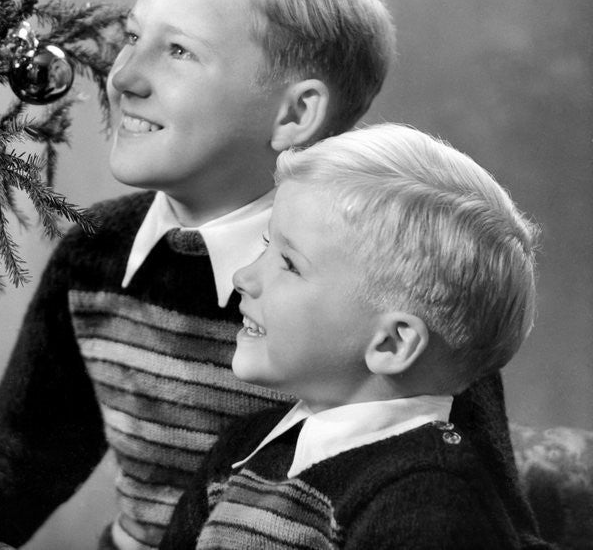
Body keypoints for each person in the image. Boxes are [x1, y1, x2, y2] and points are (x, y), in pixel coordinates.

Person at [0, 0, 400, 550]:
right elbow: (21, 468)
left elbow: (450, 500)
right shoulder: (95, 255)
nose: (122, 77)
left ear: (294, 114)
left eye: (179, 52)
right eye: (134, 37)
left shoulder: (391, 282)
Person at [159, 123, 540, 549]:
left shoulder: (429, 501)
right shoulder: (243, 449)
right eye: (266, 244)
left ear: (392, 344)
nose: (242, 276)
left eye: (289, 264)